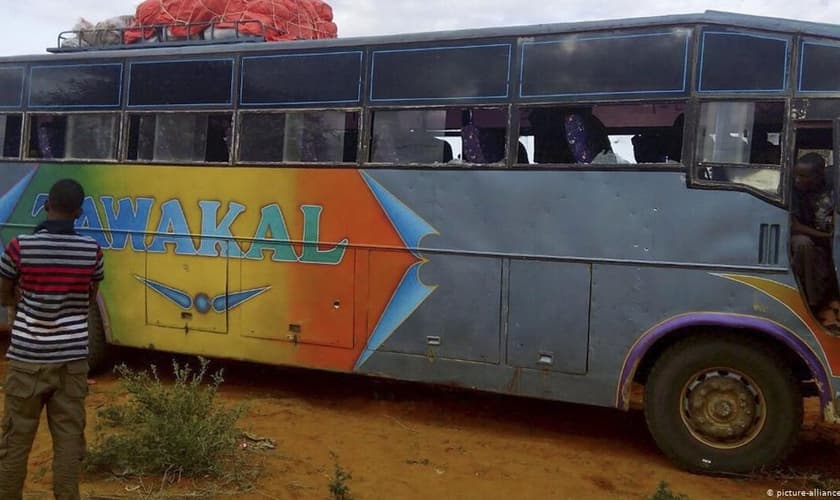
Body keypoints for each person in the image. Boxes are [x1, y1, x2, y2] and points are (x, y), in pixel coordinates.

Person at [0, 179, 104, 500]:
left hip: (27, 361)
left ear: (46, 205)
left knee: (15, 443)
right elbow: (89, 298)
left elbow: (4, 295)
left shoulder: (19, 247)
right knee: (69, 445)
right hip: (72, 363)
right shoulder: (92, 252)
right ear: (80, 212)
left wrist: (24, 298)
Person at [791, 153, 834, 309]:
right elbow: (794, 226)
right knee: (804, 245)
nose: (797, 179)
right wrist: (827, 236)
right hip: (799, 234)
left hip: (824, 232)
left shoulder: (831, 185)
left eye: (803, 176)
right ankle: (810, 302)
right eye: (796, 175)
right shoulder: (794, 191)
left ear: (818, 176)